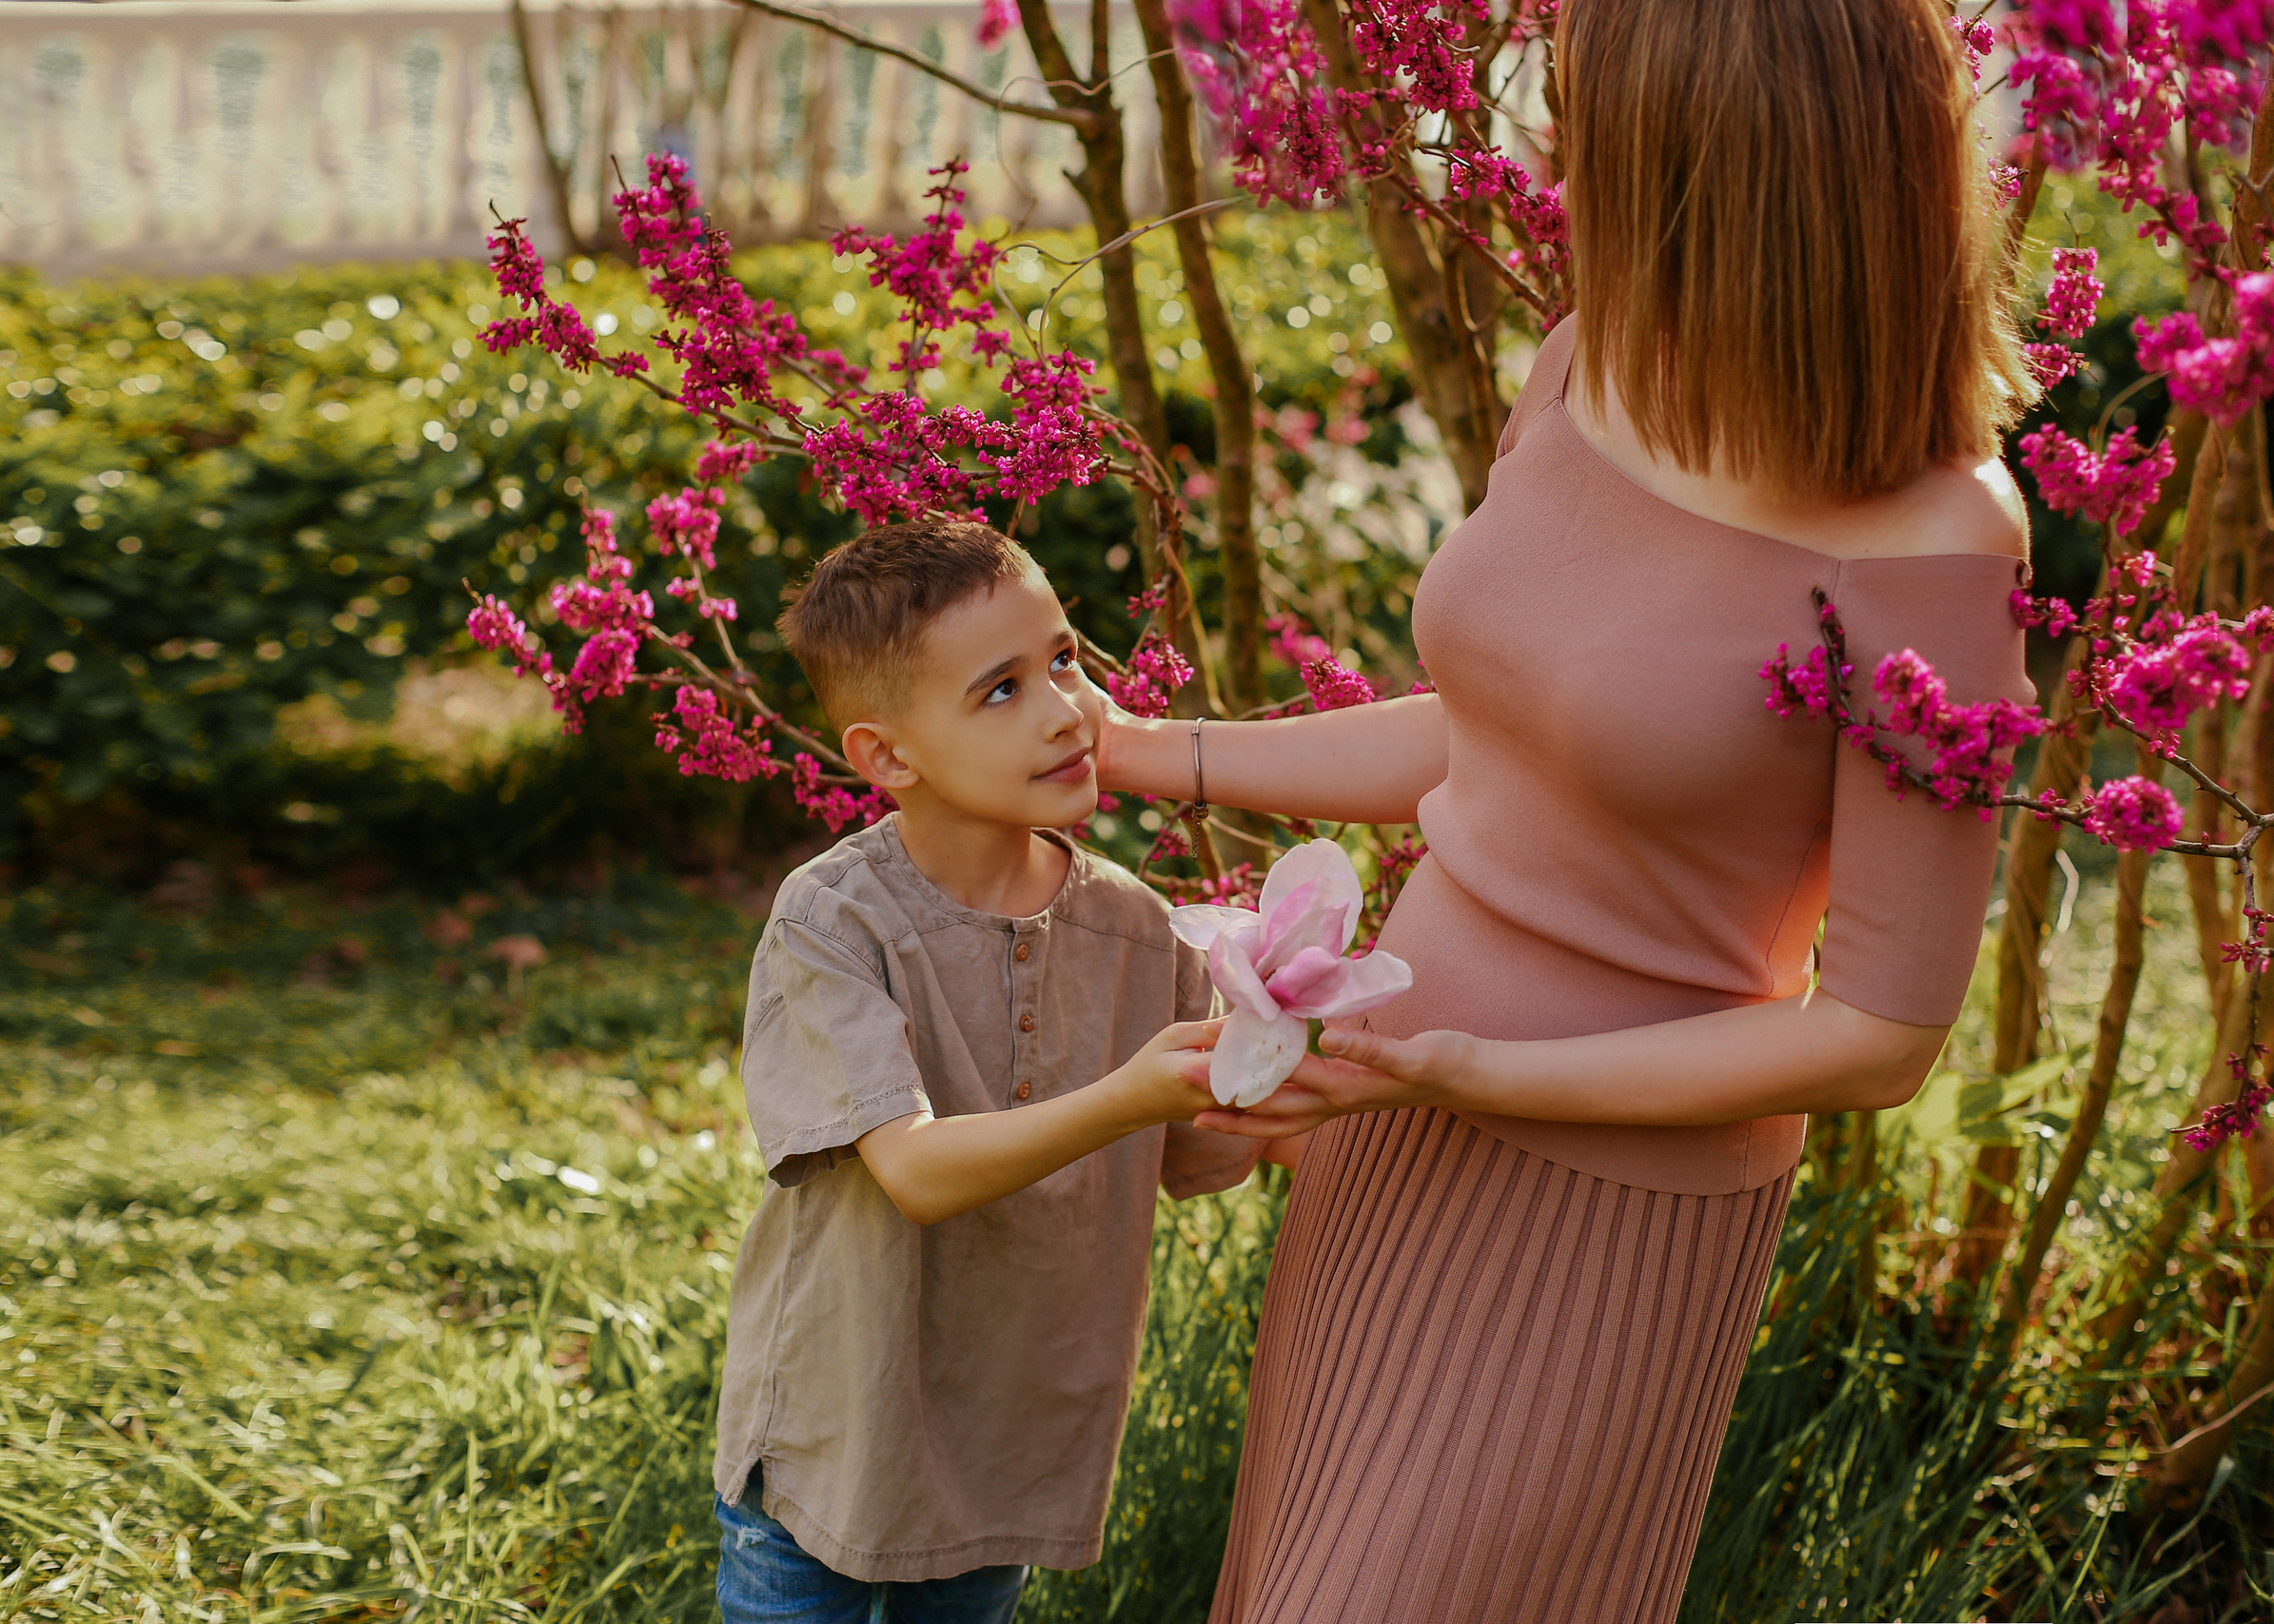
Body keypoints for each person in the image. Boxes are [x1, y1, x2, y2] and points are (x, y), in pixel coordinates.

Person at [1091, 0, 2041, 1617]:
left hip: (1610, 1201)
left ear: (1728, 176)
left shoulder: (1934, 543)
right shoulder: (1589, 364)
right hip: (1387, 1120)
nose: (1553, 151)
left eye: (1597, 134)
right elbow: (1494, 739)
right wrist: (1140, 749)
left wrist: (1487, 1067)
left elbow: (1881, 1031)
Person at [711, 519, 1270, 1624]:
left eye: (1063, 658)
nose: (1068, 709)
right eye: (1000, 689)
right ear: (887, 757)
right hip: (834, 1433)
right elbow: (913, 1172)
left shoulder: (1139, 929)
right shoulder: (834, 921)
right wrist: (1131, 1094)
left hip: (1007, 1442)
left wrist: (1279, 1032)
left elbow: (1213, 1159)